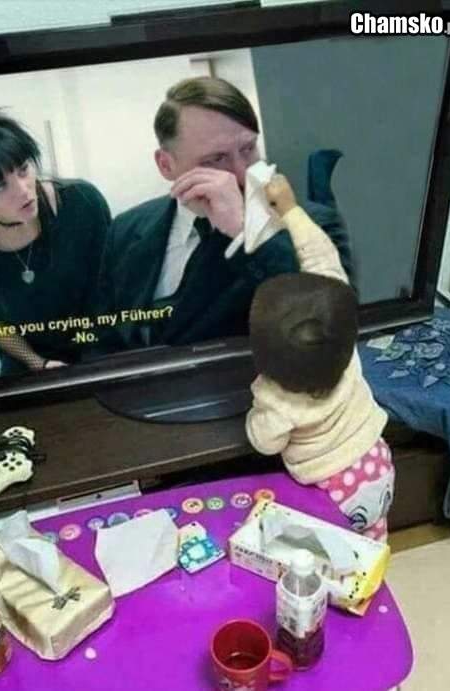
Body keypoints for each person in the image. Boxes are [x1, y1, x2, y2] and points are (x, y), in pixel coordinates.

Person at [95, 76, 351, 351]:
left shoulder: (314, 224)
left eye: (248, 149)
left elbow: (326, 328)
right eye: (216, 159)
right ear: (166, 165)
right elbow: (103, 338)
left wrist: (244, 229)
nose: (241, 173)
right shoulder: (126, 228)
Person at [246, 174, 393, 541]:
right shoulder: (343, 345)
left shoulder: (278, 401)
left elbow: (264, 442)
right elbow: (323, 260)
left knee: (330, 555)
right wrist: (290, 209)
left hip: (330, 492)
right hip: (377, 463)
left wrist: (254, 412)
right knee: (371, 538)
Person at [0, 107, 111, 375]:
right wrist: (38, 363)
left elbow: (110, 286)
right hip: (30, 364)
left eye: (23, 169)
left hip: (98, 345)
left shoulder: (83, 202)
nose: (23, 190)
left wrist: (90, 361)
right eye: (0, 186)